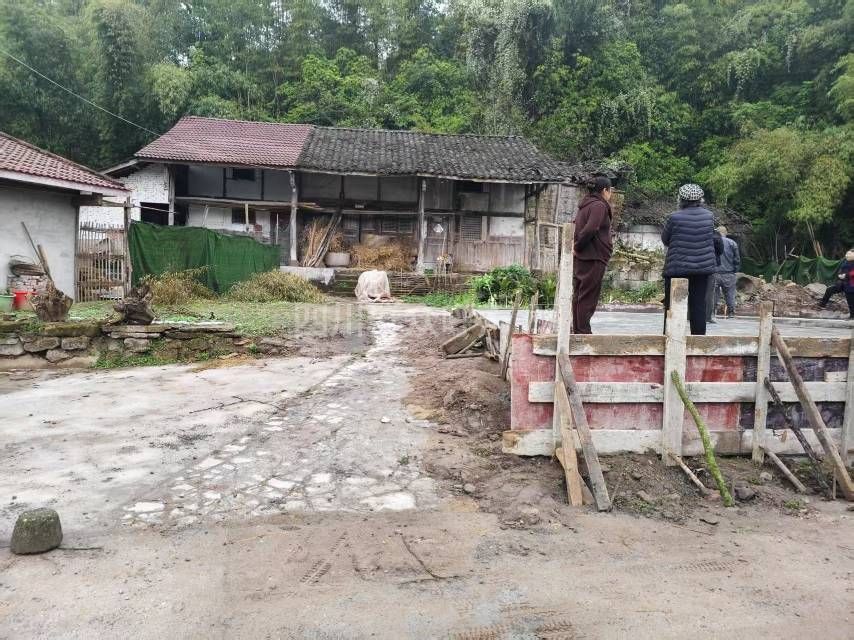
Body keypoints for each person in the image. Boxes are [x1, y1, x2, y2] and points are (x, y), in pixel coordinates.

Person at [661, 183, 717, 335]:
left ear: (680, 199)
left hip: (677, 268)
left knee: (673, 304)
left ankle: (671, 337)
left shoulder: (674, 217)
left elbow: (665, 239)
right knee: (698, 305)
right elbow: (712, 239)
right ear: (701, 199)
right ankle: (698, 341)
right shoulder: (709, 217)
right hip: (702, 269)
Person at [572, 176, 613, 334]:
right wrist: (578, 246)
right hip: (593, 256)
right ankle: (583, 332)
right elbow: (591, 228)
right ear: (604, 190)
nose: (610, 194)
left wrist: (577, 247)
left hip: (584, 256)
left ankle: (579, 330)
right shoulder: (599, 205)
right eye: (610, 190)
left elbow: (578, 227)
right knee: (588, 297)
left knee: (580, 294)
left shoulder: (585, 205)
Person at [712, 225, 741, 319]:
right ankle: (731, 313)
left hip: (715, 273)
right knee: (730, 294)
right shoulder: (732, 243)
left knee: (713, 294)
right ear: (726, 233)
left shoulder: (713, 242)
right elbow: (737, 259)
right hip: (729, 273)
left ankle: (711, 313)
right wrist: (735, 270)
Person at [818, 249, 854, 318]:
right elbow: (841, 270)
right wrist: (840, 275)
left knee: (851, 302)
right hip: (843, 283)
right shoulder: (845, 262)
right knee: (829, 290)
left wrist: (846, 275)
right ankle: (822, 305)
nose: (847, 255)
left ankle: (852, 316)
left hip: (851, 285)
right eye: (847, 254)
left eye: (849, 254)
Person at [705, 228, 724, 324]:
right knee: (709, 292)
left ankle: (690, 315)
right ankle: (707, 317)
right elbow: (720, 250)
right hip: (710, 266)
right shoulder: (715, 235)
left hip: (693, 265)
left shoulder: (691, 230)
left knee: (693, 290)